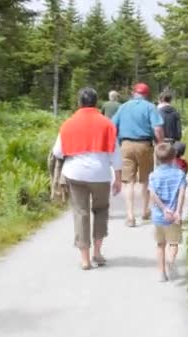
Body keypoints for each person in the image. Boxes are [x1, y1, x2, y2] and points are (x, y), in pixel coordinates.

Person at [52, 87, 122, 270]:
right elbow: (115, 153)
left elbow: (57, 152)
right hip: (100, 174)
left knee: (81, 212)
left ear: (79, 102)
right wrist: (119, 177)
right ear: (96, 102)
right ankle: (97, 253)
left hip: (75, 173)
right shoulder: (107, 124)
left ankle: (85, 259)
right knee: (100, 210)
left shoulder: (68, 124)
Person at [112, 83, 164, 227]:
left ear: (133, 93)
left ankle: (130, 216)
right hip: (144, 145)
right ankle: (145, 211)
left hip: (126, 145)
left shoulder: (123, 107)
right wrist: (161, 144)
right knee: (145, 179)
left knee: (128, 182)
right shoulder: (150, 107)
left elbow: (112, 126)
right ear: (146, 94)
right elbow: (158, 128)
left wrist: (116, 143)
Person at [148, 143, 187, 282]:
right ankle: (170, 259)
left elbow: (152, 195)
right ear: (173, 158)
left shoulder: (153, 175)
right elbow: (182, 194)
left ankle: (162, 273)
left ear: (157, 159)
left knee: (160, 245)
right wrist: (178, 211)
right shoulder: (180, 174)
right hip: (174, 217)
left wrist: (164, 209)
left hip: (159, 216)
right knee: (174, 243)